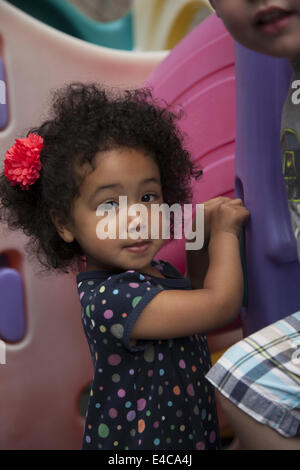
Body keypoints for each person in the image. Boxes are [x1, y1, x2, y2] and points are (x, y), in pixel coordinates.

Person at [0, 83, 249, 450]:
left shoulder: (156, 271)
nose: (136, 218)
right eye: (109, 206)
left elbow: (196, 295)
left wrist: (199, 233)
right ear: (64, 224)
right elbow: (218, 306)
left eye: (148, 197)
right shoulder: (112, 299)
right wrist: (226, 233)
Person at [206, 0, 300, 450]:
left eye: (148, 198)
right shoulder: (109, 294)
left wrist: (220, 233)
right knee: (240, 382)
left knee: (242, 382)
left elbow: (219, 306)